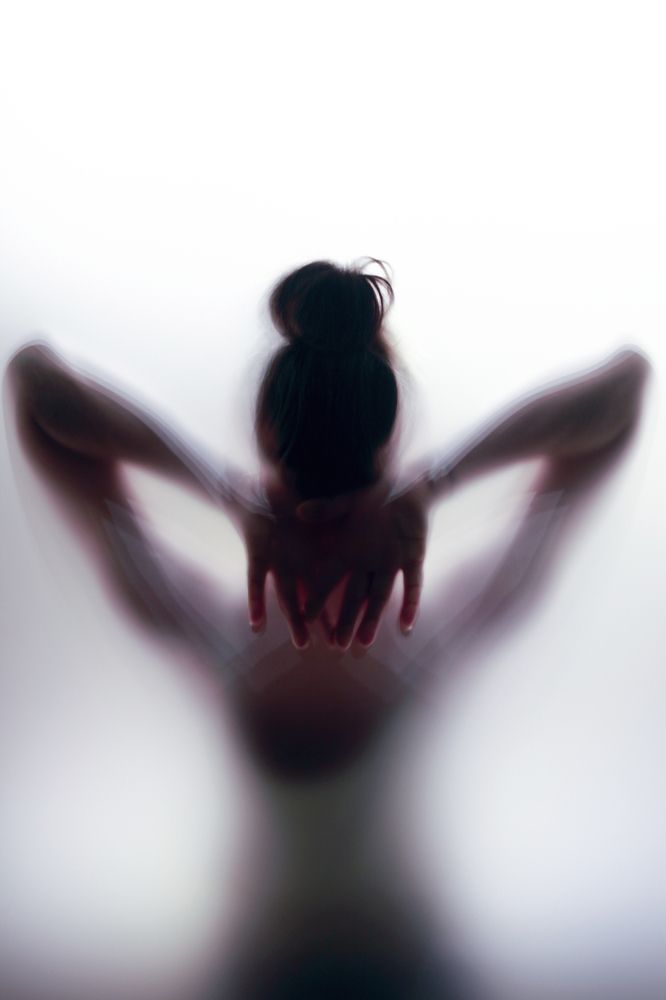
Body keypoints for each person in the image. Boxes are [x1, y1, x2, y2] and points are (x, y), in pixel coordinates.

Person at [4, 259, 651, 998]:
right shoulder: (436, 631)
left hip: (284, 968)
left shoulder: (213, 626)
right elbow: (623, 388)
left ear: (262, 437)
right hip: (394, 966)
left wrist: (228, 491)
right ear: (391, 446)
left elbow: (37, 386)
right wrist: (431, 484)